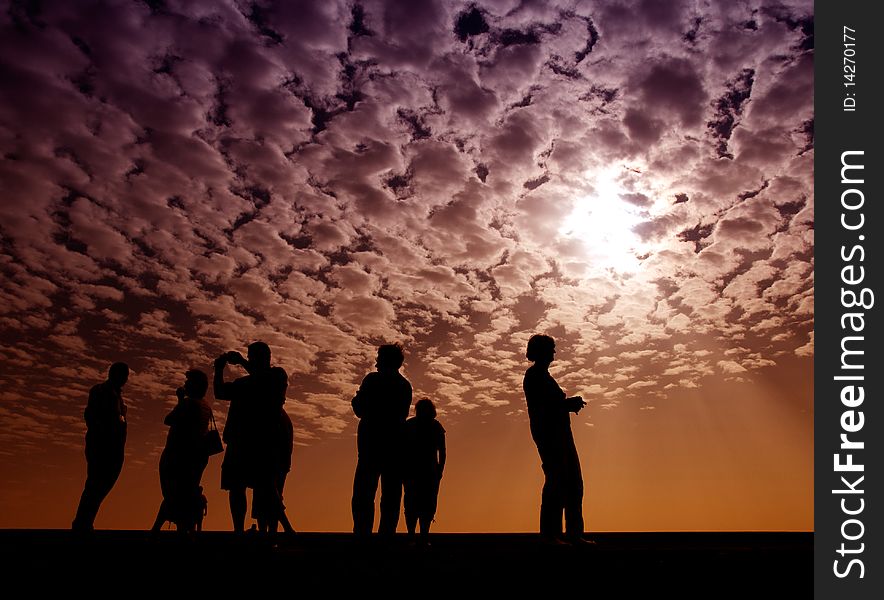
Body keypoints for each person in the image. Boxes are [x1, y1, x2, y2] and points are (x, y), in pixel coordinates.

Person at [214, 342, 294, 534]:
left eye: (252, 357)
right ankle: (239, 531)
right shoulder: (244, 383)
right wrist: (218, 370)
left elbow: (262, 380)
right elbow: (220, 393)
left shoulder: (277, 376)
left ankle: (274, 532)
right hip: (241, 441)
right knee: (238, 487)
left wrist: (240, 361)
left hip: (264, 443)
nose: (250, 360)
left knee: (267, 489)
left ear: (266, 357)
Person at [523, 334, 590, 545]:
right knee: (557, 481)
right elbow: (543, 407)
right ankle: (551, 535)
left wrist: (567, 405)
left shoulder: (543, 376)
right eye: (551, 348)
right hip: (549, 435)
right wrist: (568, 404)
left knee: (572, 483)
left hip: (560, 434)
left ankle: (571, 533)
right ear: (542, 351)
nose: (554, 352)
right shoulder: (534, 376)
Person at [351, 343, 412, 536]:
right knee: (391, 496)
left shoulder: (372, 381)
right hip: (395, 447)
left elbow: (359, 409)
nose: (376, 362)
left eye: (379, 358)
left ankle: (362, 536)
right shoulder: (404, 386)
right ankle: (386, 538)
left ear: (386, 360)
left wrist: (357, 400)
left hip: (371, 446)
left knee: (364, 495)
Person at [151, 369, 212, 533]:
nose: (185, 384)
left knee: (173, 495)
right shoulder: (205, 406)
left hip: (178, 457)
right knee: (185, 496)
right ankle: (184, 530)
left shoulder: (188, 403)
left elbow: (169, 419)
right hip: (197, 457)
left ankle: (157, 530)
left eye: (188, 382)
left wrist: (180, 400)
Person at [72, 362, 129, 531]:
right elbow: (90, 415)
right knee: (95, 485)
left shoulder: (117, 394)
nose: (124, 379)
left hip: (114, 448)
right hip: (102, 447)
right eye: (122, 374)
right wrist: (103, 433)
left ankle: (85, 522)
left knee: (100, 486)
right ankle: (82, 523)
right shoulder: (100, 391)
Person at [403, 398, 446, 546]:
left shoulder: (433, 426)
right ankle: (416, 536)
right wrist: (440, 469)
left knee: (419, 504)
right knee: (418, 504)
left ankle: (419, 536)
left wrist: (440, 469)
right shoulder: (412, 425)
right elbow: (443, 451)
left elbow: (443, 451)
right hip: (418, 471)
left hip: (425, 471)